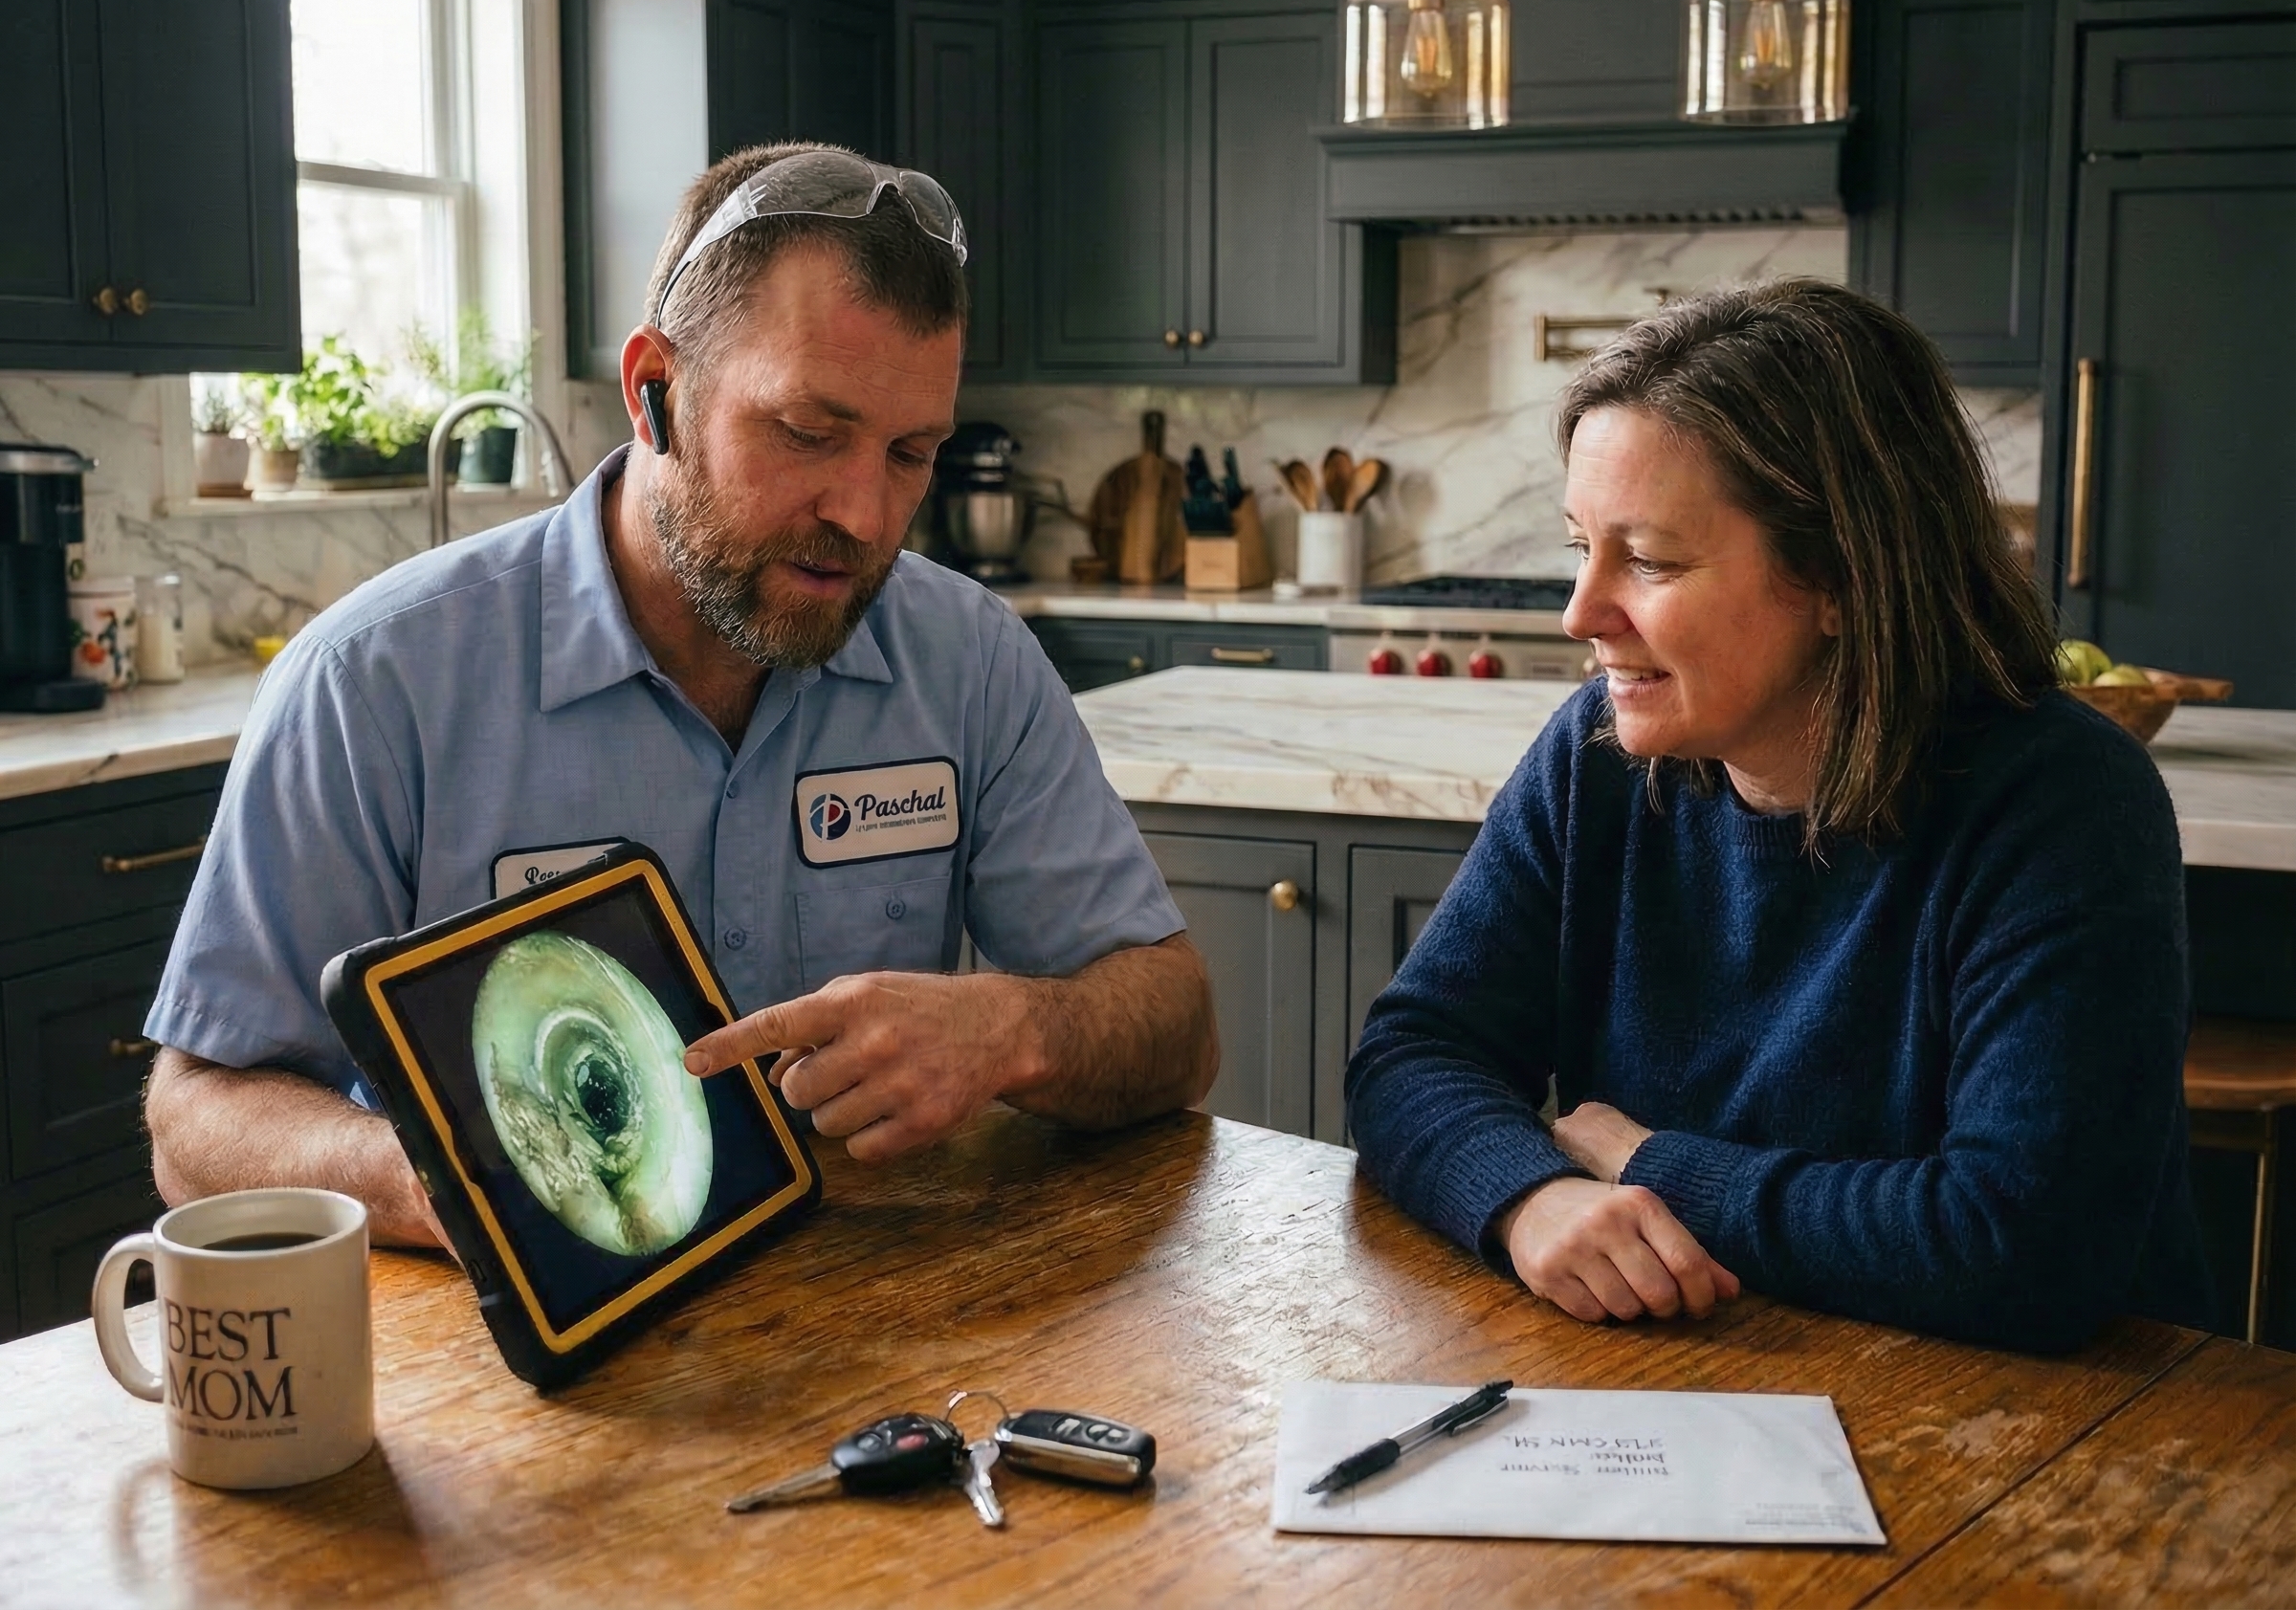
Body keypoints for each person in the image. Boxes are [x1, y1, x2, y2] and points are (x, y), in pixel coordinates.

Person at [144, 143, 1218, 1248]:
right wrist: (445, 1179)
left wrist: (1014, 1030)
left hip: (886, 1299)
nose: (863, 514)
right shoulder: (372, 684)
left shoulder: (972, 659)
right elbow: (197, 1121)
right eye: (807, 433)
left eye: (910, 453)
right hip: (514, 1337)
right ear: (653, 389)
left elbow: (1177, 1028)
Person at [1346, 278, 2210, 1355]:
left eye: (1649, 560)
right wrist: (1529, 1197)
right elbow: (1413, 1052)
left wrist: (1650, 1167)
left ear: (1841, 576)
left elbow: (2022, 1246)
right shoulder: (1594, 756)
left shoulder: (2067, 804)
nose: (1581, 613)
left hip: (2064, 1413)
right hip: (1696, 1363)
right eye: (1581, 548)